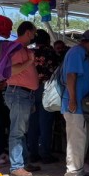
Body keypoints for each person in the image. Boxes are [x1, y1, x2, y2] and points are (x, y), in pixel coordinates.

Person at [61, 28, 89, 176]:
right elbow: (71, 75)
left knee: (80, 140)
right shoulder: (77, 52)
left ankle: (78, 172)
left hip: (78, 104)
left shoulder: (79, 53)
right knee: (76, 141)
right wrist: (72, 99)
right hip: (74, 104)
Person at [4, 21, 40, 176]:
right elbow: (11, 71)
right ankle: (17, 165)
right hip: (19, 94)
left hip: (23, 94)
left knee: (20, 130)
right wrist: (30, 62)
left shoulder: (21, 48)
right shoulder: (18, 48)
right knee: (17, 131)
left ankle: (23, 162)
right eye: (34, 32)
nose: (34, 36)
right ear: (28, 33)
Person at [27, 29, 60, 164]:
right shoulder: (50, 52)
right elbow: (56, 69)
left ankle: (33, 153)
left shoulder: (31, 52)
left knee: (33, 123)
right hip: (46, 89)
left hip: (31, 88)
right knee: (46, 122)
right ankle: (45, 153)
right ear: (47, 40)